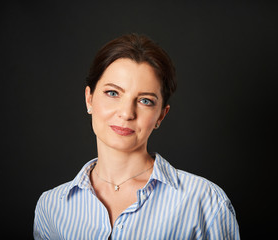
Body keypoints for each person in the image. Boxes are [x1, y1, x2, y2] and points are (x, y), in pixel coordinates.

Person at [33, 33, 240, 239]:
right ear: (89, 99)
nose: (126, 113)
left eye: (145, 101)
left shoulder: (205, 202)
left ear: (161, 115)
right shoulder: (51, 207)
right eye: (113, 93)